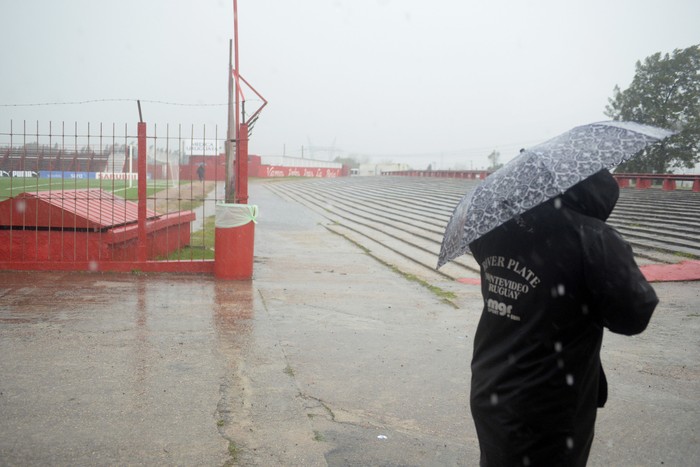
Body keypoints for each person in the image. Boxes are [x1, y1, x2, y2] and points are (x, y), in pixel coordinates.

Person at [468, 169, 658, 466]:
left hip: (491, 385)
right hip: (552, 403)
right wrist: (615, 259)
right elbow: (632, 316)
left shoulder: (494, 228)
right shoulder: (592, 237)